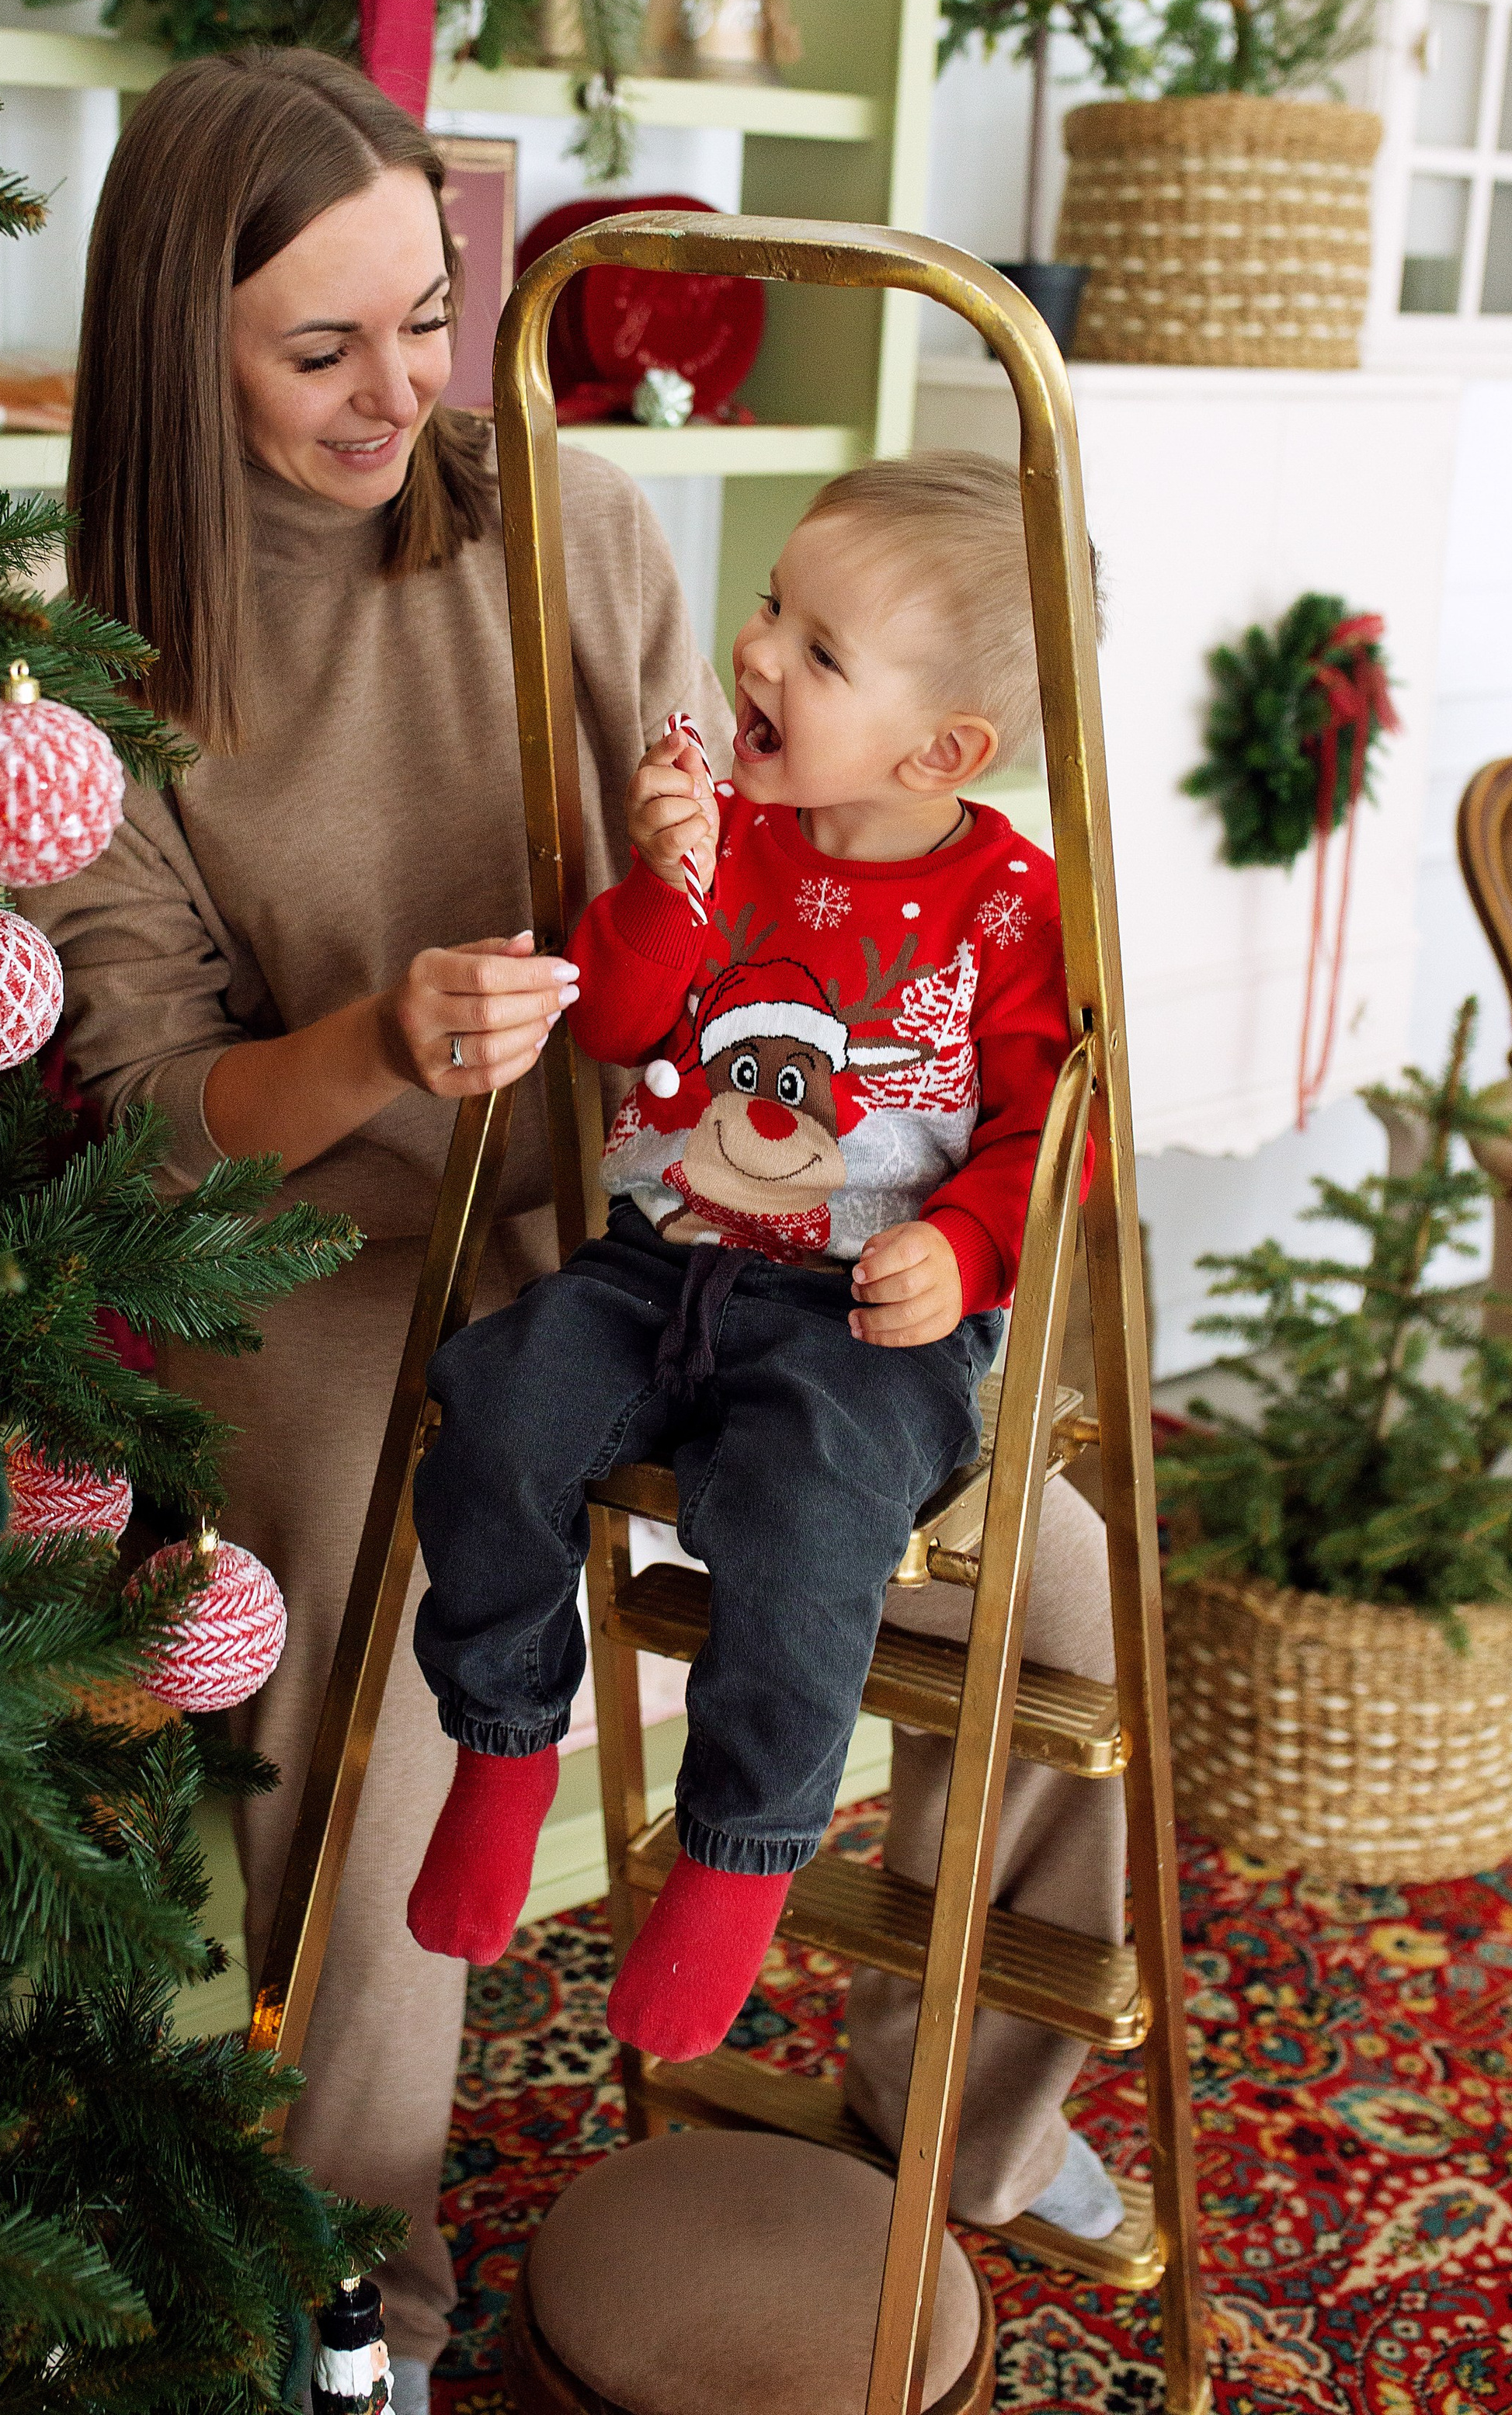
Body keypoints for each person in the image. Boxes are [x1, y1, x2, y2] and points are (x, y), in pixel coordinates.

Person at [22, 54, 1126, 2403]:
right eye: (323, 350)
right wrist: (379, 1044)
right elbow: (145, 1110)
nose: (407, 388)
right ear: (172, 351)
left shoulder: (571, 515)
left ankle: (939, 2131)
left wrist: (787, 1012)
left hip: (663, 1203)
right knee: (402, 1583)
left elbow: (747, 898)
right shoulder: (97, 659)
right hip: (312, 1238)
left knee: (1058, 1594)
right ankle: (363, 2289)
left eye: (430, 313)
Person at [408, 455, 1081, 2066]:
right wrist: (662, 887)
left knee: (802, 1538)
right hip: (660, 1265)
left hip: (864, 1317)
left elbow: (1047, 1131)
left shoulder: (1003, 907)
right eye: (773, 601)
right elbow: (625, 1026)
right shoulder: (726, 835)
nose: (756, 649)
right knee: (493, 1407)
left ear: (942, 750)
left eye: (818, 648)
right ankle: (502, 1744)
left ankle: (733, 1863)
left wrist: (961, 1248)